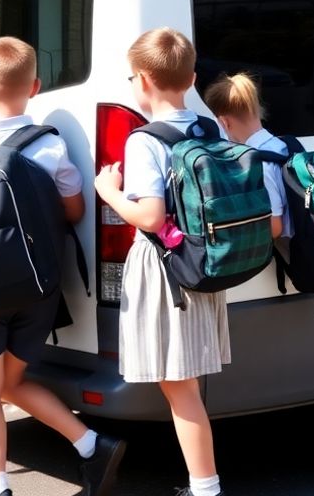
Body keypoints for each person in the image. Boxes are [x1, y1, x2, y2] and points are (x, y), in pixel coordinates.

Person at [0, 37, 124, 496]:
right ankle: (90, 443)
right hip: (39, 286)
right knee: (8, 381)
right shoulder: (49, 147)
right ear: (36, 87)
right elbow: (74, 211)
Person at [92, 28, 229, 496]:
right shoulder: (209, 128)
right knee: (183, 382)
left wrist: (109, 193)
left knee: (179, 384)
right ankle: (203, 483)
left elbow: (149, 216)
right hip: (202, 262)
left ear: (143, 81)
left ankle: (205, 487)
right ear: (190, 78)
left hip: (166, 268)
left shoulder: (144, 140)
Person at [203, 72, 289, 241]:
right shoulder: (283, 145)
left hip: (284, 257)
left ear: (224, 122)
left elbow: (275, 227)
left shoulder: (258, 163)